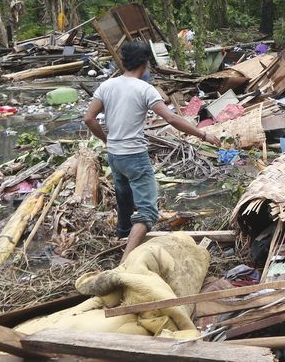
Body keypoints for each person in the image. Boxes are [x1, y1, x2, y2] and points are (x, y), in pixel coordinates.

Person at [83, 41, 220, 260]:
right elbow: (172, 118)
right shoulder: (144, 89)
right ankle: (126, 261)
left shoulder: (106, 86)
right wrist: (204, 134)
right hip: (135, 156)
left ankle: (122, 238)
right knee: (147, 212)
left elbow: (89, 118)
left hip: (115, 156)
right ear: (145, 63)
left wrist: (106, 140)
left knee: (125, 202)